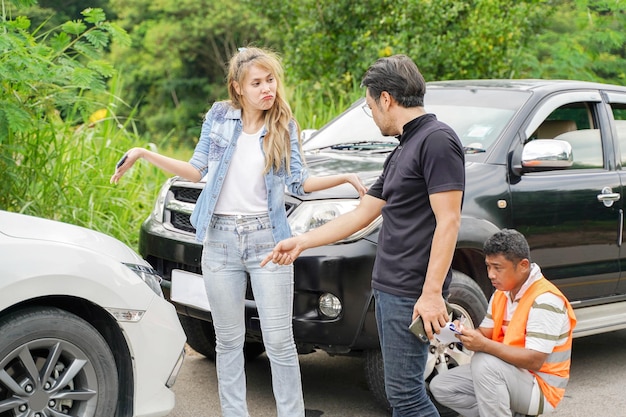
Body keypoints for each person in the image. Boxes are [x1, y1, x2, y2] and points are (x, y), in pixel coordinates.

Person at [110, 46, 366, 417]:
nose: (267, 89)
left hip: (268, 240)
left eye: (271, 80)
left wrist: (343, 177)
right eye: (257, 82)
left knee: (279, 342)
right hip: (221, 241)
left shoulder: (283, 125)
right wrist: (144, 153)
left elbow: (300, 182)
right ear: (238, 88)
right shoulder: (219, 118)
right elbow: (197, 170)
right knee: (228, 341)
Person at [262, 54, 465, 417]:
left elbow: (449, 221)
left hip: (412, 292)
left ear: (386, 98)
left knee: (406, 396)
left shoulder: (437, 141)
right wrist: (302, 241)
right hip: (390, 288)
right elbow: (362, 213)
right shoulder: (404, 148)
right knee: (401, 391)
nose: (372, 116)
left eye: (370, 106)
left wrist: (432, 293)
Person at [429, 229, 577, 417]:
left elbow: (534, 360)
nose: (491, 274)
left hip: (540, 390)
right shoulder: (502, 293)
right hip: (510, 375)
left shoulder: (545, 301)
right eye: (488, 266)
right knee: (442, 386)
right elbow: (485, 333)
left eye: (497, 268)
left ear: (523, 265)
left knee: (484, 362)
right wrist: (464, 333)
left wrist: (483, 345)